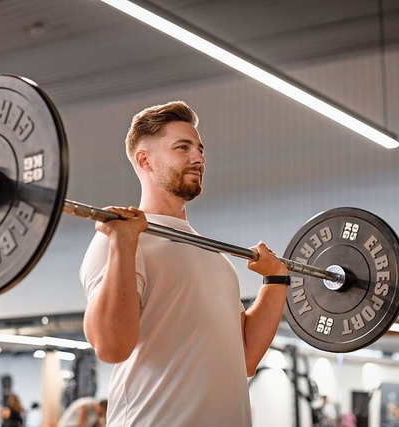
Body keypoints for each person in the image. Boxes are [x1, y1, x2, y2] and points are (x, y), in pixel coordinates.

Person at [80, 101, 288, 426]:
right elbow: (111, 347)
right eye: (183, 147)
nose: (199, 158)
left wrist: (276, 280)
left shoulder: (214, 257)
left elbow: (244, 357)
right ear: (144, 159)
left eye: (200, 149)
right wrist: (123, 242)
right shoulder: (121, 236)